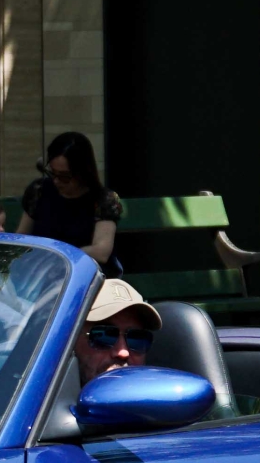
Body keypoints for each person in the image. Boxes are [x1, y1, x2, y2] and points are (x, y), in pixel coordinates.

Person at [18, 132, 123, 271]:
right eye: (52, 173)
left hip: (81, 274)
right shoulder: (39, 190)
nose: (56, 181)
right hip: (42, 274)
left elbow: (101, 251)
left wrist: (58, 256)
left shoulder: (103, 199)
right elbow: (21, 237)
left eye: (64, 176)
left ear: (83, 172)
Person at [73, 276, 159, 387]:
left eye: (137, 338)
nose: (123, 353)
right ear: (71, 344)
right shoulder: (45, 400)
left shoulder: (160, 402)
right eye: (104, 336)